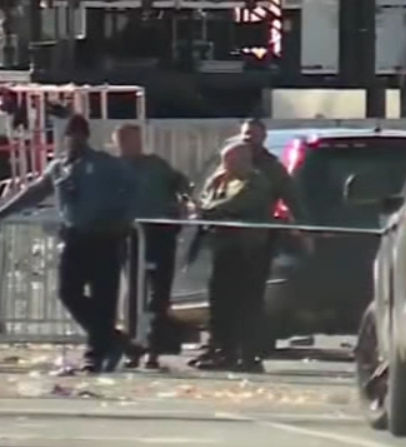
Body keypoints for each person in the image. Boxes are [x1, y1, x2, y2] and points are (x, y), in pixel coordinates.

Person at [0, 114, 135, 373]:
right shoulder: (59, 167)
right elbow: (34, 192)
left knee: (104, 298)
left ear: (86, 136)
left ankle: (95, 353)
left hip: (106, 237)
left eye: (78, 134)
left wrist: (123, 222)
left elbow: (131, 190)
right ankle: (111, 338)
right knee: (68, 292)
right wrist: (1, 212)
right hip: (76, 237)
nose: (73, 139)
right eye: (69, 134)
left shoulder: (105, 164)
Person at [193, 141, 275, 373]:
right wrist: (205, 208)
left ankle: (250, 355)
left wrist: (208, 210)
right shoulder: (221, 180)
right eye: (225, 161)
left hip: (248, 250)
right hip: (223, 248)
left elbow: (235, 204)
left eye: (231, 162)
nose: (225, 166)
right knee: (220, 302)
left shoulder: (256, 182)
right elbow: (204, 198)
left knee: (247, 303)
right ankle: (223, 350)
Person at [114, 123, 189, 370]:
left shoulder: (156, 165)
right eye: (127, 141)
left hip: (160, 235)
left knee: (159, 292)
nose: (133, 145)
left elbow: (181, 183)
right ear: (119, 143)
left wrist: (182, 204)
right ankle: (133, 346)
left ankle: (154, 347)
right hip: (131, 236)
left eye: (136, 140)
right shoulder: (114, 169)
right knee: (135, 292)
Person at [233, 118, 307, 360]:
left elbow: (291, 196)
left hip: (257, 239)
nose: (248, 139)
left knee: (252, 294)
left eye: (253, 135)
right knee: (225, 294)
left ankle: (251, 348)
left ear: (262, 138)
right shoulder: (232, 159)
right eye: (245, 134)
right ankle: (223, 345)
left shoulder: (271, 167)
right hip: (226, 238)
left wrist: (304, 227)